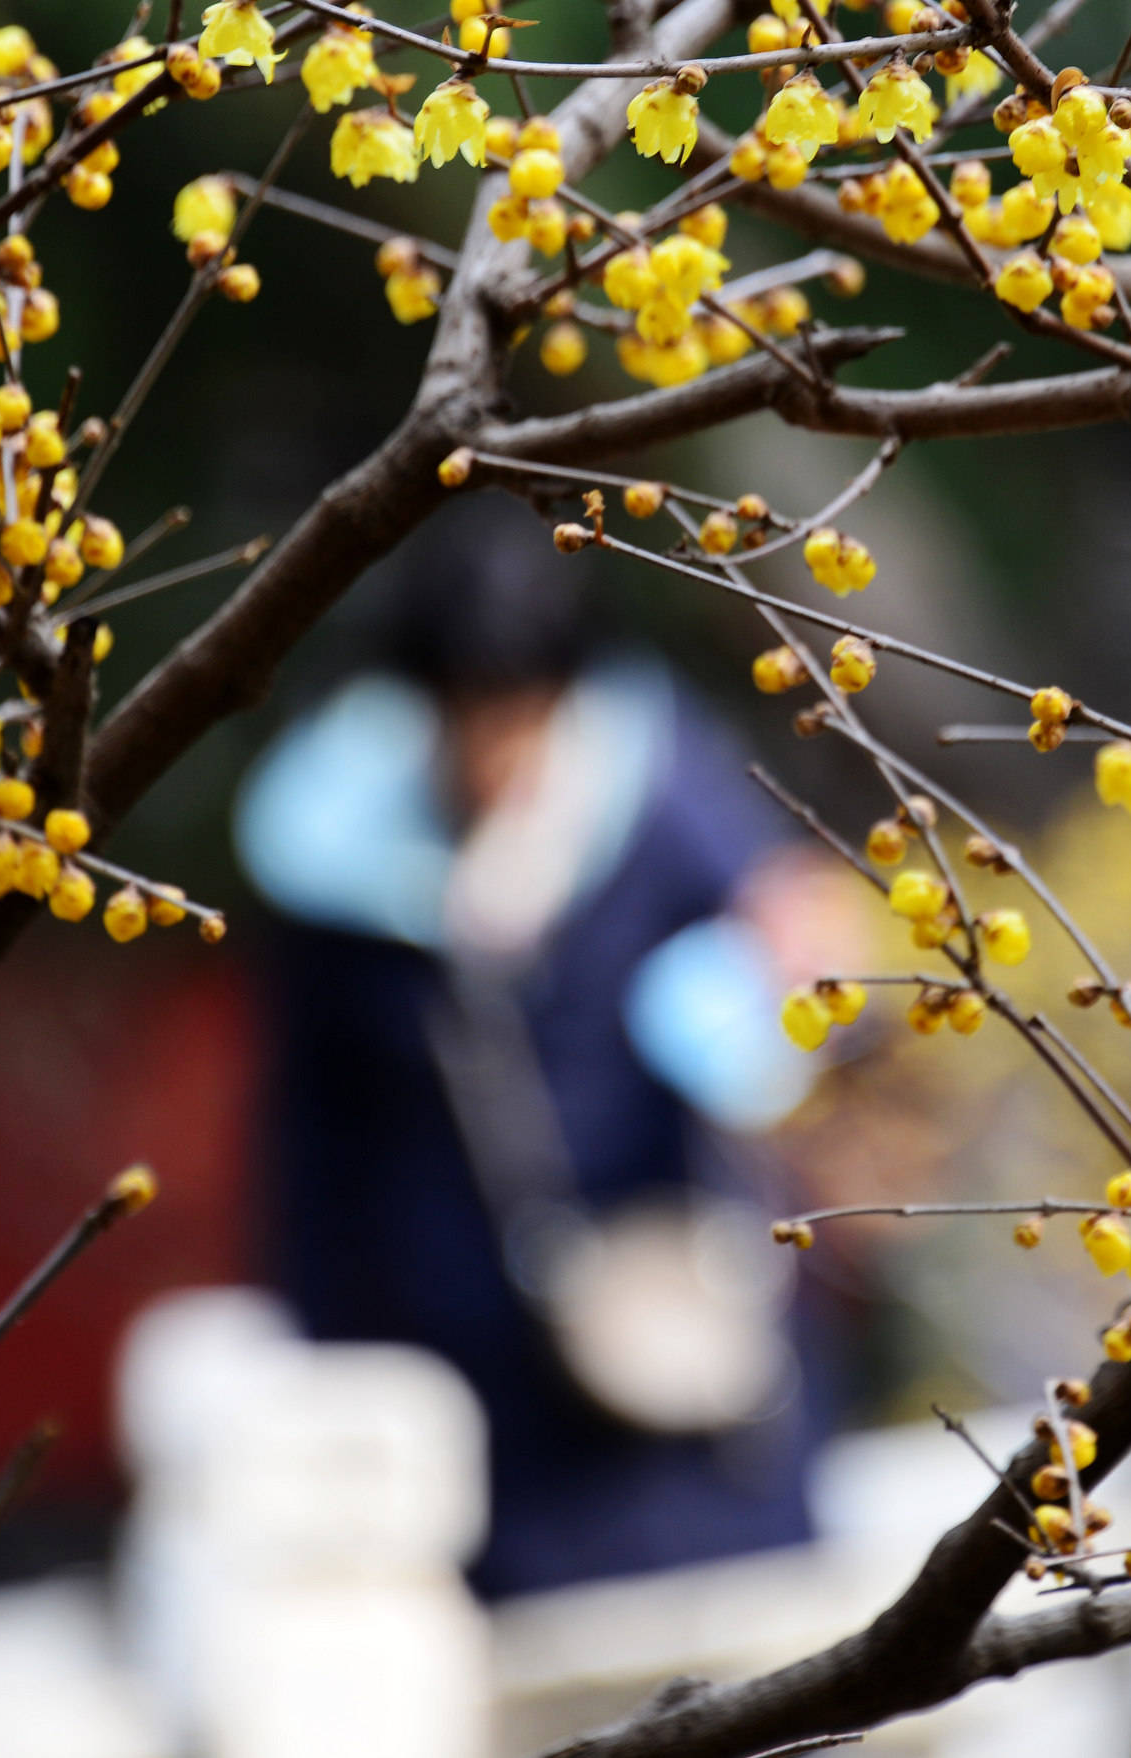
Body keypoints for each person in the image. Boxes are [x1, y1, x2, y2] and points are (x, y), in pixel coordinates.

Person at [234, 516, 835, 1599]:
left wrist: (792, 971)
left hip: (684, 1346)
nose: (500, 751)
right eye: (473, 715)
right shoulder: (333, 851)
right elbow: (309, 1135)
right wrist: (322, 1352)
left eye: (525, 715)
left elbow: (791, 935)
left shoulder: (660, 783)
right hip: (473, 1386)